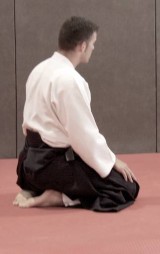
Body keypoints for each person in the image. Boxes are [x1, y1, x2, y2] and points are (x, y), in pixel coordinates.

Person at [13, 16, 140, 212]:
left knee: (91, 170)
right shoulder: (69, 80)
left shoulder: (39, 69)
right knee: (125, 187)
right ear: (82, 46)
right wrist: (113, 160)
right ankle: (60, 197)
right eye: (93, 44)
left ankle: (36, 189)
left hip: (27, 165)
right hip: (50, 167)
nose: (93, 49)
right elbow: (83, 137)